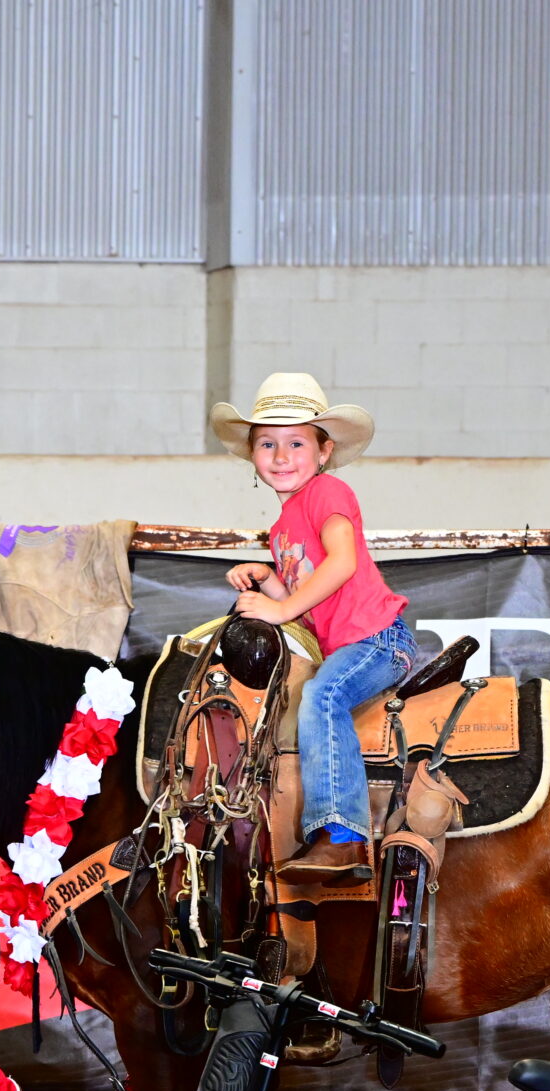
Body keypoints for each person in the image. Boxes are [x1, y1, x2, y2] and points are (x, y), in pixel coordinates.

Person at [211, 371, 416, 883]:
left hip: (377, 639)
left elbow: (342, 563)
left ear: (323, 452)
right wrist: (268, 583)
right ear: (253, 456)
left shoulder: (328, 491)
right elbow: (305, 602)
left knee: (322, 696)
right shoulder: (282, 527)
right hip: (347, 643)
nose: (281, 456)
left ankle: (341, 834)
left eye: (296, 442)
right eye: (267, 443)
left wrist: (277, 608)